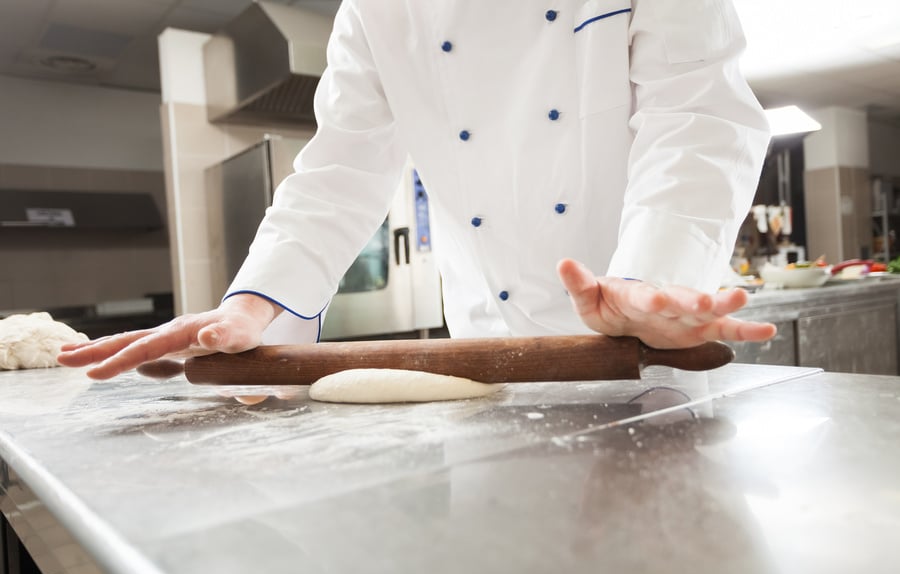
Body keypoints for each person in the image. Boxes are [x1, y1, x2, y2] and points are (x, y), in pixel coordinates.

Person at [59, 0, 776, 380]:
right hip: (487, 361)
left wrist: (657, 275)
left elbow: (698, 113)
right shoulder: (373, 9)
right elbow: (340, 168)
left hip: (651, 348)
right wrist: (254, 304)